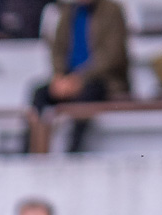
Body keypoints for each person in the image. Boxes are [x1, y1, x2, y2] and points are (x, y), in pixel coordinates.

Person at [28, 0, 129, 154]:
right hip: (69, 80)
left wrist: (80, 78)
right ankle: (33, 152)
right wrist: (60, 77)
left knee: (87, 95)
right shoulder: (68, 11)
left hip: (103, 80)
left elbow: (112, 55)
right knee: (39, 94)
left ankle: (74, 151)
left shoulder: (112, 11)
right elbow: (58, 49)